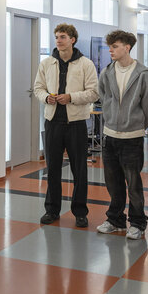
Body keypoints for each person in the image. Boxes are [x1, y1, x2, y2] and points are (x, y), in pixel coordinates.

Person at [96, 30, 148, 240]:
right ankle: (115, 220)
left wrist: (137, 125)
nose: (111, 50)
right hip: (110, 135)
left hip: (132, 137)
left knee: (133, 183)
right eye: (110, 47)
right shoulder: (106, 72)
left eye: (115, 46)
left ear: (127, 47)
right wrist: (111, 118)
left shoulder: (144, 74)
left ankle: (138, 222)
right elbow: (104, 97)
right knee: (113, 182)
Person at [33, 23, 98, 227]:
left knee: (80, 170)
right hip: (53, 123)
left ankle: (80, 212)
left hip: (76, 124)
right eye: (56, 37)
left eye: (62, 37)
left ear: (72, 40)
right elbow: (38, 88)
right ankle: (51, 210)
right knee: (52, 169)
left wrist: (71, 97)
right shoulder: (46, 63)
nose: (58, 41)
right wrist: (46, 97)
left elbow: (93, 92)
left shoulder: (86, 64)